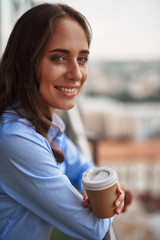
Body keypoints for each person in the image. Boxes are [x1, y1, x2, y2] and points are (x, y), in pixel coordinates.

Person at [0, 3, 132, 240]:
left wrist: (104, 193)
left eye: (82, 58)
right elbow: (93, 228)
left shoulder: (44, 121)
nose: (77, 74)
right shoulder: (15, 140)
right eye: (59, 57)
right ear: (24, 62)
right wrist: (108, 199)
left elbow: (82, 168)